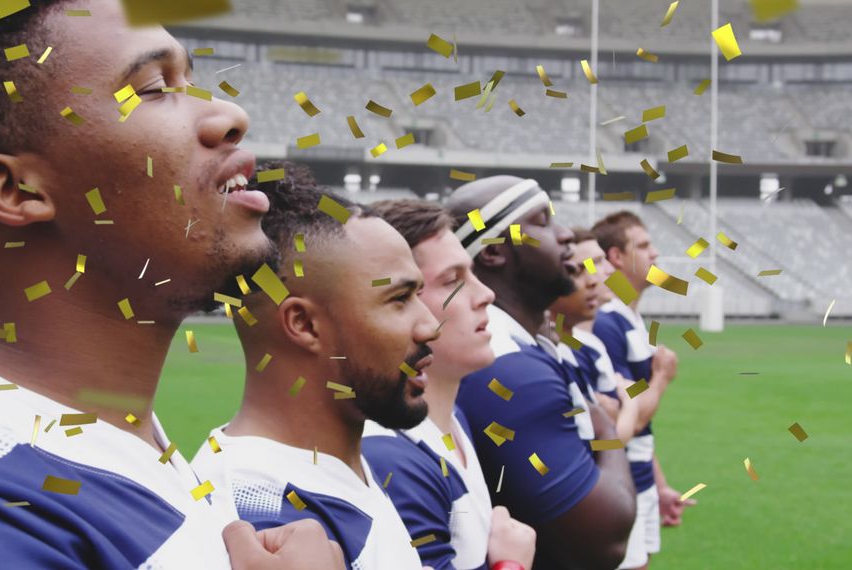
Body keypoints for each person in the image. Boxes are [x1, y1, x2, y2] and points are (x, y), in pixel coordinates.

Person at [0, 1, 343, 568]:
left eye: (191, 80)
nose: (230, 114)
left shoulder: (106, 444)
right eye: (152, 87)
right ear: (14, 190)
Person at [192, 164, 438, 568]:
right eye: (399, 299)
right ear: (303, 325)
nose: (431, 325)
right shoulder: (265, 528)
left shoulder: (334, 470)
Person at [446, 176, 636, 570]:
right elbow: (604, 540)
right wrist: (606, 428)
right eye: (542, 221)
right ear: (496, 251)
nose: (566, 234)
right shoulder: (506, 366)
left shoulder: (521, 343)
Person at [362, 199, 537, 570]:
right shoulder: (391, 458)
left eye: (472, 274)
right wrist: (510, 564)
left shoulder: (452, 417)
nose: (486, 294)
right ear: (397, 300)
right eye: (453, 280)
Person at [590, 212, 691, 570]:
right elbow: (626, 419)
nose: (656, 254)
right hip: (622, 482)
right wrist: (662, 378)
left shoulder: (631, 320)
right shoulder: (606, 323)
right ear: (616, 257)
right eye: (644, 246)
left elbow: (640, 430)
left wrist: (660, 485)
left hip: (640, 479)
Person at [548, 229, 638, 447]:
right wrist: (634, 400)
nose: (607, 270)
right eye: (589, 265)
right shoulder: (605, 329)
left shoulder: (591, 343)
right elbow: (605, 440)